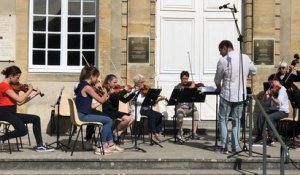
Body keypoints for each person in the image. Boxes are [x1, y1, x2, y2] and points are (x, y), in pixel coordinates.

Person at [214, 40, 257, 154]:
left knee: (223, 120)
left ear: (225, 47)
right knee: (236, 121)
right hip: (240, 94)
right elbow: (254, 71)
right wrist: (245, 74)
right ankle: (235, 146)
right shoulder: (245, 58)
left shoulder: (223, 60)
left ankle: (224, 146)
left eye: (220, 50)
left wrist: (218, 87)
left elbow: (218, 79)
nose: (220, 53)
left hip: (227, 94)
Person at [0, 65, 54, 152]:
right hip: (4, 113)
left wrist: (34, 94)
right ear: (11, 76)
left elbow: (20, 103)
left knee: (36, 119)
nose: (18, 80)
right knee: (23, 131)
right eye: (17, 78)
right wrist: (29, 90)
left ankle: (40, 145)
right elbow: (19, 99)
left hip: (11, 113)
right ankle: (2, 138)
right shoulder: (4, 86)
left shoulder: (10, 86)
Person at [74, 65, 123, 155]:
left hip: (82, 113)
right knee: (108, 120)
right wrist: (105, 92)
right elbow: (101, 100)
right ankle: (101, 146)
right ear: (92, 76)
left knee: (106, 118)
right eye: (96, 77)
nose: (97, 79)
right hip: (83, 115)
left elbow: (89, 104)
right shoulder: (88, 87)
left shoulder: (81, 85)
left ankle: (111, 144)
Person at [87, 74, 135, 144]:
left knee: (133, 117)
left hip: (115, 111)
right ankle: (114, 134)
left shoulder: (115, 91)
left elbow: (125, 100)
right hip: (108, 112)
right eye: (114, 82)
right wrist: (124, 91)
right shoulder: (105, 90)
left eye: (116, 82)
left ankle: (116, 133)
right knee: (127, 119)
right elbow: (115, 98)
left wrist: (134, 93)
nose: (116, 84)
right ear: (109, 82)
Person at [130, 74, 166, 142]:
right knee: (152, 114)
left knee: (159, 115)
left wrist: (158, 99)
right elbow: (136, 101)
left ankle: (157, 133)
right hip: (138, 109)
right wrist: (143, 95)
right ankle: (151, 133)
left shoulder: (145, 90)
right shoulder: (134, 90)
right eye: (142, 82)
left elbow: (152, 103)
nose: (143, 84)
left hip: (147, 108)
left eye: (143, 82)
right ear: (136, 83)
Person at [254, 76, 289, 145]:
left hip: (282, 111)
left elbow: (278, 103)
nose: (271, 85)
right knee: (261, 115)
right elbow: (266, 103)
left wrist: (272, 97)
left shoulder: (282, 90)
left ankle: (271, 137)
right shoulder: (274, 90)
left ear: (276, 81)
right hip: (275, 110)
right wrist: (266, 96)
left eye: (272, 83)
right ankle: (259, 135)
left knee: (270, 117)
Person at [174, 71, 201, 140]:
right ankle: (180, 131)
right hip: (181, 108)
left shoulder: (190, 86)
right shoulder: (177, 87)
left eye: (186, 78)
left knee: (196, 113)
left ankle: (194, 133)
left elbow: (198, 92)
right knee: (180, 115)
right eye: (183, 79)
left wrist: (197, 88)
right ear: (181, 79)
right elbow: (183, 92)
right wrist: (190, 88)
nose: (185, 80)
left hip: (189, 108)